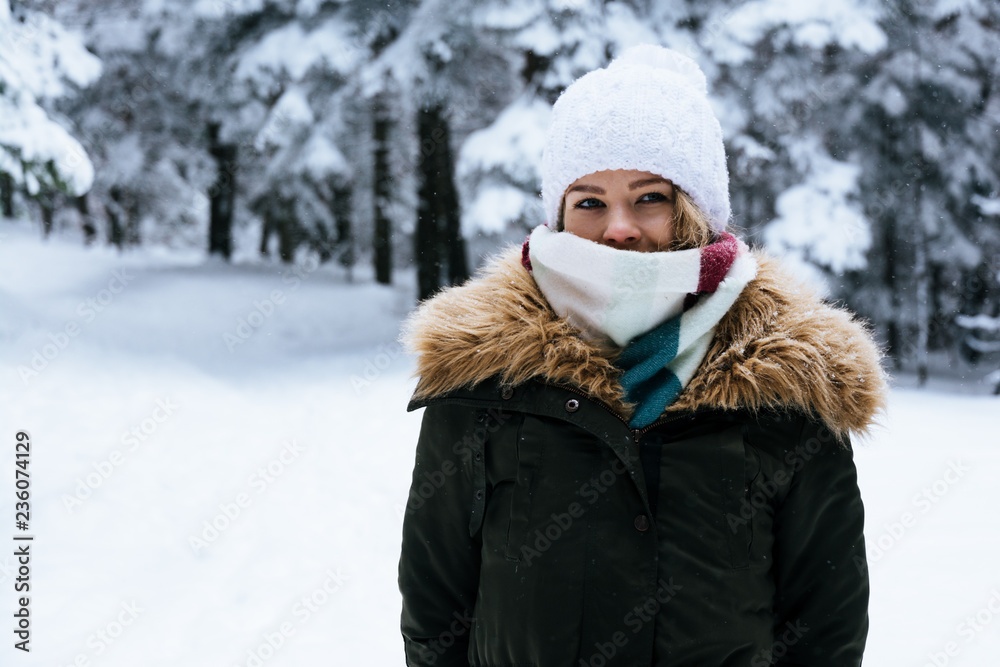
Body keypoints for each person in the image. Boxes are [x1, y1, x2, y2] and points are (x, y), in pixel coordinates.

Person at [397, 44, 886, 667]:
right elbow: (436, 600)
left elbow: (826, 620)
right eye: (590, 201)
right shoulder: (484, 373)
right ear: (559, 215)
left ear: (695, 209)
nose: (619, 226)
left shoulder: (787, 383)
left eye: (650, 197)